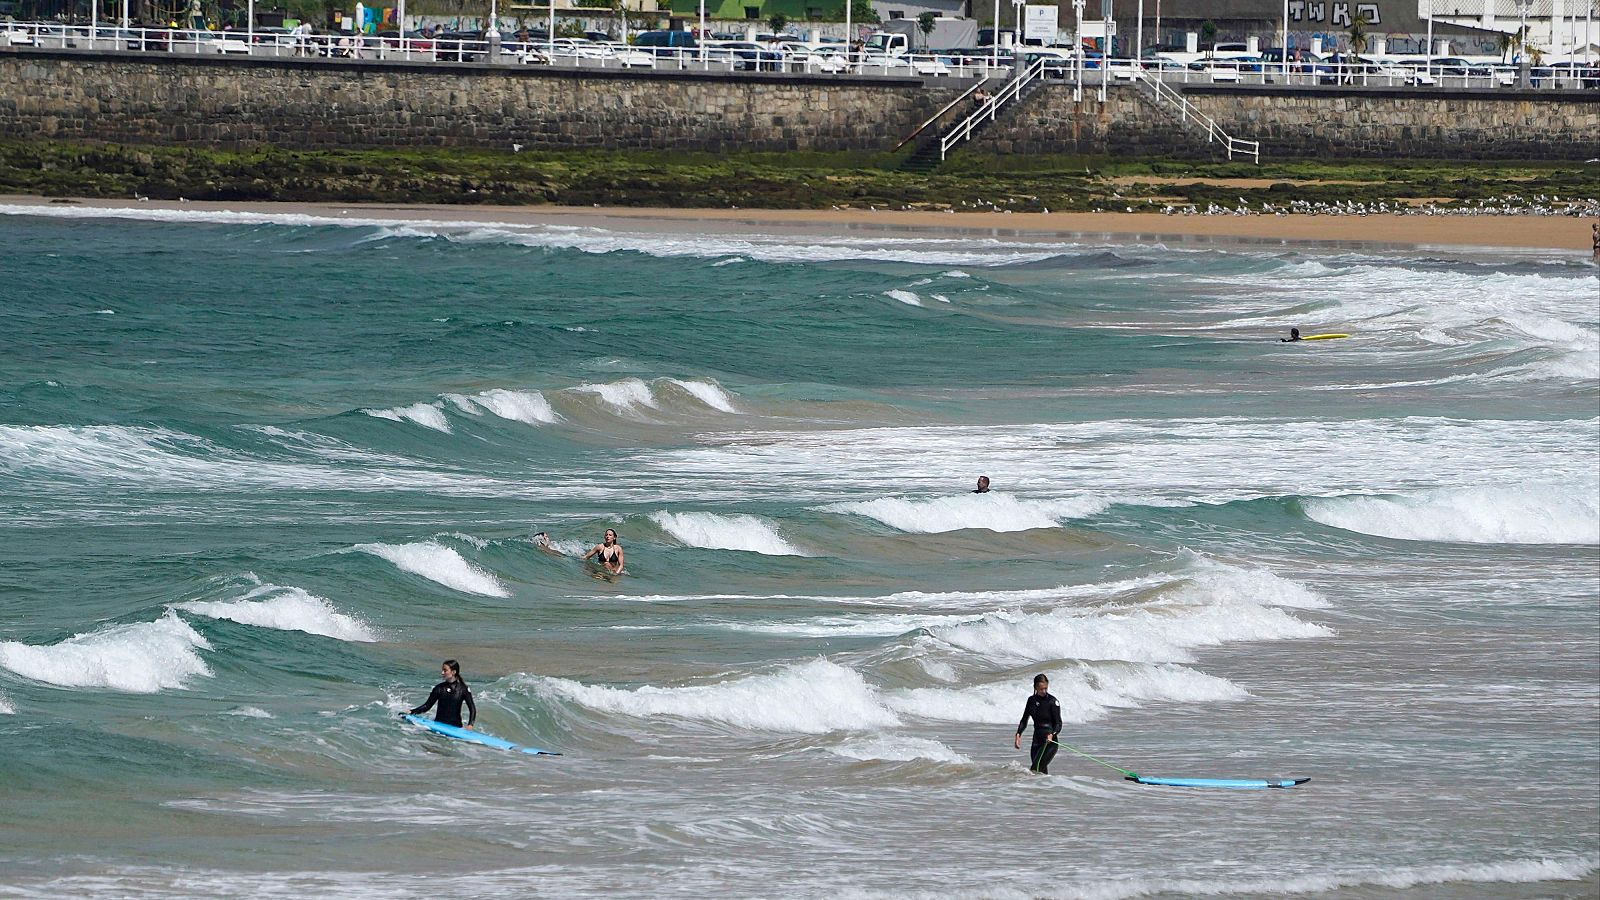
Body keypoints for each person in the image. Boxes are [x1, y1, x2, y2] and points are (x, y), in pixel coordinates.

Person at [403, 659, 476, 729]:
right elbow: (427, 706)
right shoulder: (439, 688)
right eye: (442, 670)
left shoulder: (463, 689)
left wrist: (470, 725)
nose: (442, 673)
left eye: (445, 670)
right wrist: (412, 711)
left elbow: (472, 708)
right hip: (438, 725)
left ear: (453, 672)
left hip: (456, 727)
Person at [1013, 673, 1062, 774]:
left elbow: (1058, 723)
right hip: (1036, 742)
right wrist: (1018, 734)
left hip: (1049, 743)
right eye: (1041, 689)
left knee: (1035, 769)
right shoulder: (1031, 700)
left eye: (1045, 688)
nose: (1044, 691)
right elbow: (1024, 720)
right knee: (1041, 772)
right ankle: (1046, 788)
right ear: (1035, 687)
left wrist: (1052, 735)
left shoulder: (1052, 701)